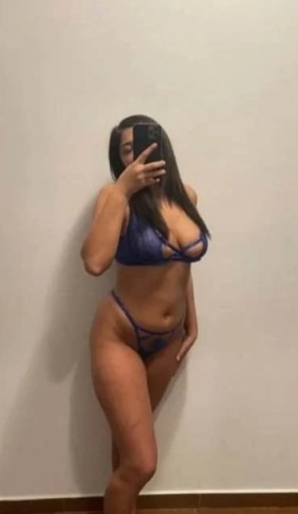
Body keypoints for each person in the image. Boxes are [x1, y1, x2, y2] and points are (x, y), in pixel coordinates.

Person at [81, 115, 210, 514]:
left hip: (168, 341)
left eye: (138, 145)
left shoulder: (186, 196)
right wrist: (123, 189)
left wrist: (192, 321)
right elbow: (94, 262)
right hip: (120, 335)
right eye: (125, 150)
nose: (133, 155)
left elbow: (182, 267)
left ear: (162, 146)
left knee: (127, 452)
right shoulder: (113, 197)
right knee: (142, 463)